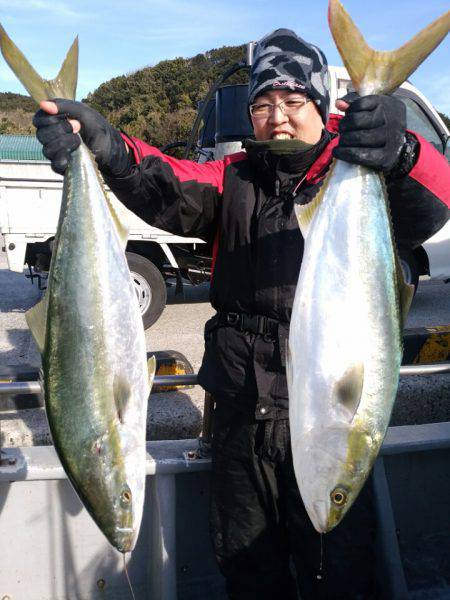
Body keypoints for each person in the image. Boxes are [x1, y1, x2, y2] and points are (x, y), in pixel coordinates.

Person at [33, 29, 449, 599]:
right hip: (236, 416)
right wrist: (103, 143)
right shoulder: (233, 181)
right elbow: (162, 183)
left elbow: (434, 206)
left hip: (324, 409)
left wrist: (403, 153)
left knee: (343, 572)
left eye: (293, 101)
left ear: (321, 105)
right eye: (262, 104)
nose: (277, 116)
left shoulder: (359, 173)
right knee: (247, 571)